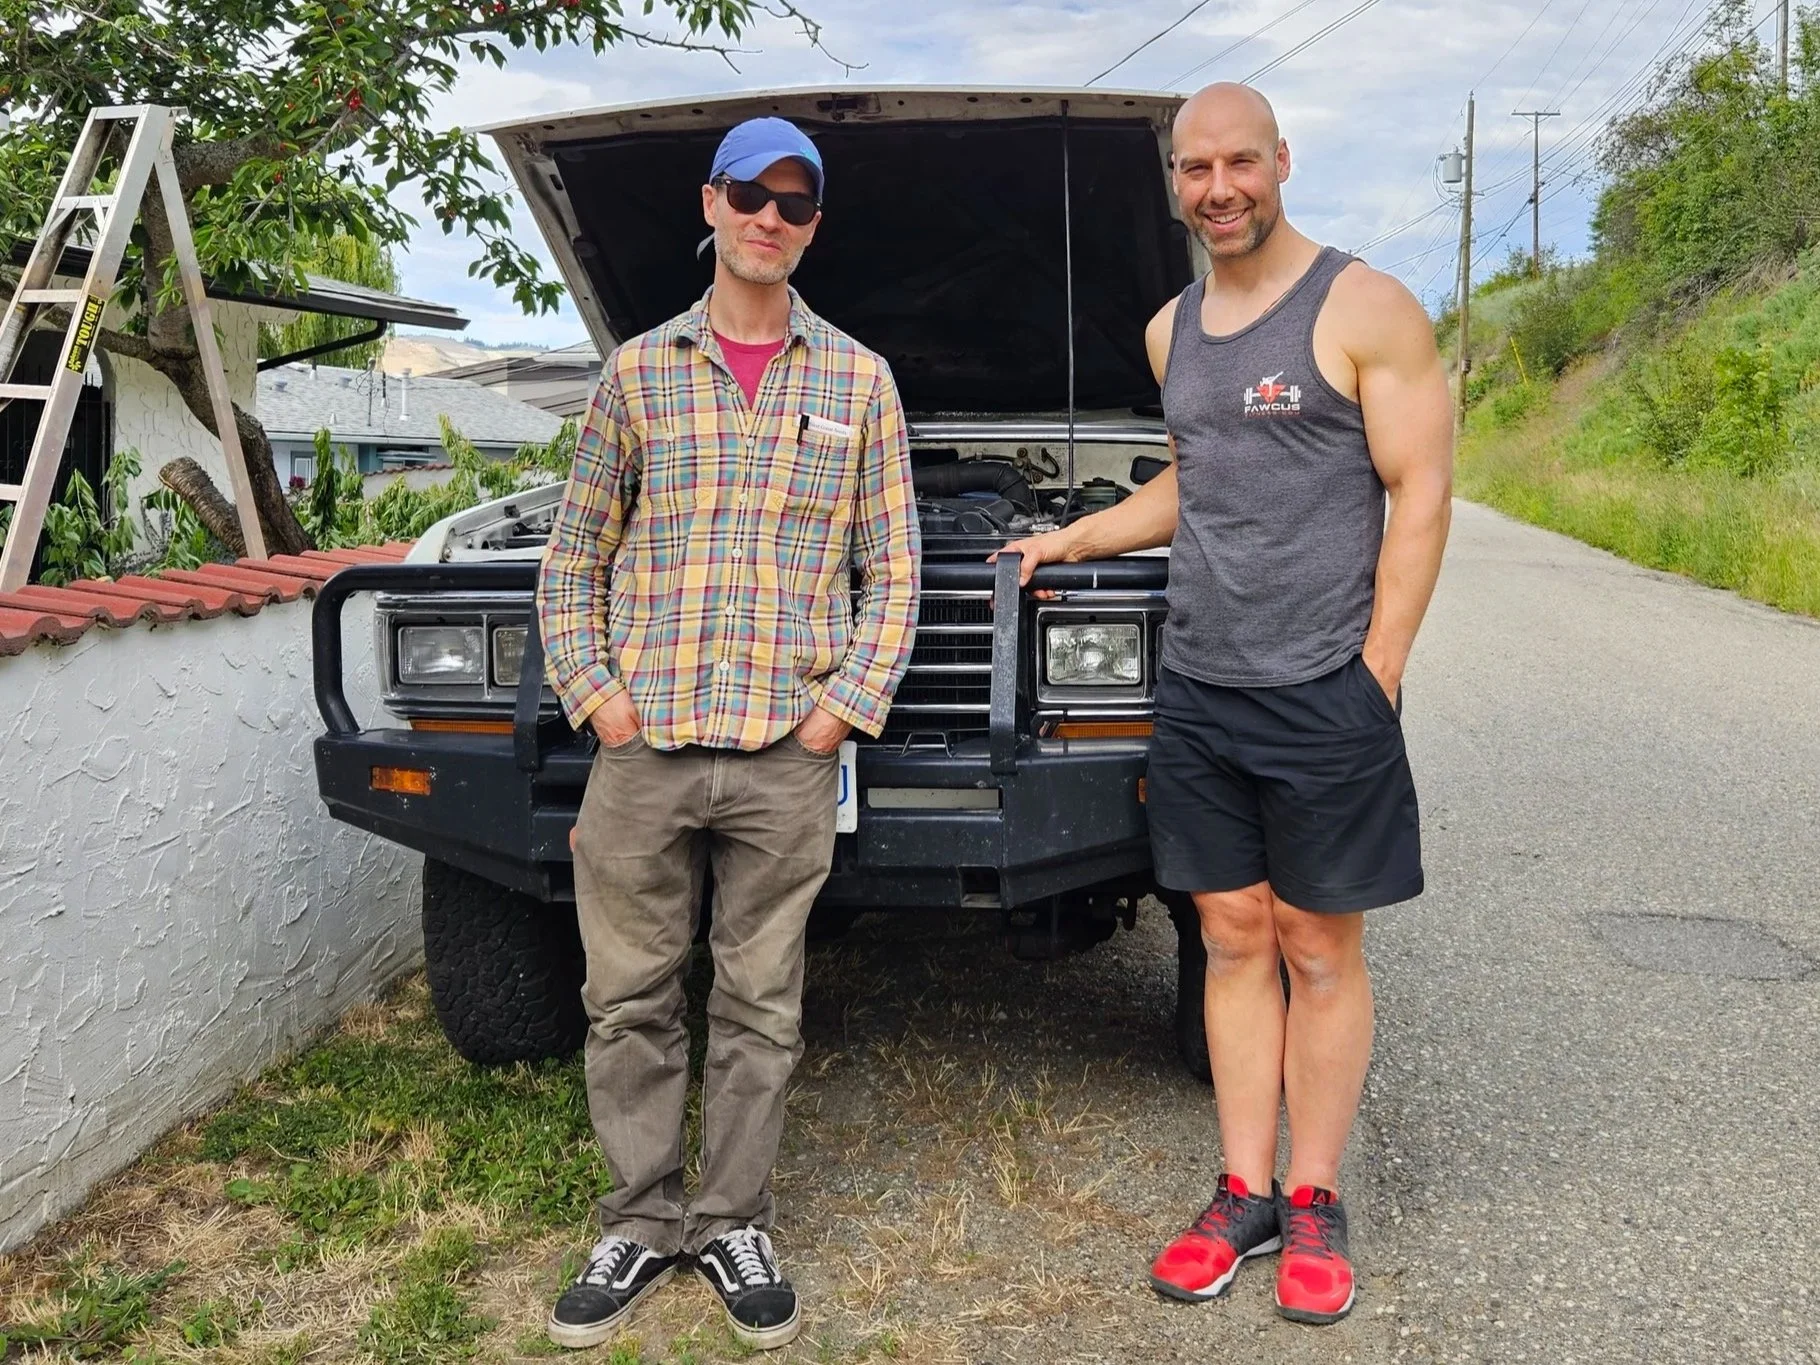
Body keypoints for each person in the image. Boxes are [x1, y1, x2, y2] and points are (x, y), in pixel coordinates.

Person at [997, 82, 1452, 1325]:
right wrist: (1070, 538)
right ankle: (1240, 1189)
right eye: (1194, 169)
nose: (1218, 188)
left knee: (1316, 943)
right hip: (1198, 687)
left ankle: (1313, 1197)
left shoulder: (1362, 307)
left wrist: (1378, 673)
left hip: (1323, 691)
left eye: (1238, 162)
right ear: (1177, 182)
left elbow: (1419, 492)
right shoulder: (1170, 330)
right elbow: (1190, 484)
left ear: (1280, 161)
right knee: (1233, 937)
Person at [535, 116, 921, 1351]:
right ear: (710, 204)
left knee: (761, 1001)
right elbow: (571, 558)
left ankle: (732, 1218)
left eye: (795, 203)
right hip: (642, 747)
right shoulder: (637, 374)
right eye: (750, 194)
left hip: (782, 757)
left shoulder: (858, 382)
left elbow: (894, 574)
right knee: (627, 994)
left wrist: (834, 717)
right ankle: (638, 1220)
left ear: (815, 225)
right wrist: (598, 697)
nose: (769, 217)